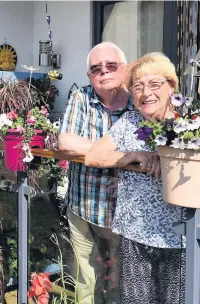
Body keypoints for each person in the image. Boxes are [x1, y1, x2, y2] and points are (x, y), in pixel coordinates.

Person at [84, 52, 187, 304]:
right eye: (138, 87)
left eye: (154, 84)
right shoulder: (130, 122)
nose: (146, 93)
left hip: (180, 238)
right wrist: (132, 155)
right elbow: (93, 156)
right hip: (135, 235)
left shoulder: (189, 123)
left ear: (171, 86)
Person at [59, 42, 133, 304]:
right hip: (83, 209)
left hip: (124, 214)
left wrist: (92, 152)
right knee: (86, 281)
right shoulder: (82, 97)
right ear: (89, 75)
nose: (104, 71)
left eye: (111, 65)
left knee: (119, 283)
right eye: (96, 68)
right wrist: (121, 156)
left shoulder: (138, 102)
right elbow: (66, 142)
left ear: (123, 68)